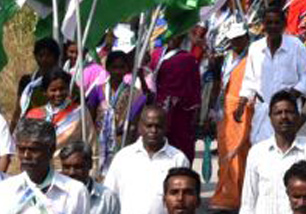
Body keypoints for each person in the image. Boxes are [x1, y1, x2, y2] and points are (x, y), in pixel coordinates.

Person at [104, 104, 189, 214]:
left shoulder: (178, 159)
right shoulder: (123, 157)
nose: (153, 130)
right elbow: (108, 198)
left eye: (158, 126)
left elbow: (185, 203)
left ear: (166, 128)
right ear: (140, 128)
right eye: (148, 126)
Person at [238, 5, 306, 145]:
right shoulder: (255, 49)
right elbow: (249, 81)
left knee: (288, 151)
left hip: (288, 112)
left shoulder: (296, 46)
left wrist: (292, 95)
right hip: (263, 111)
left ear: (284, 25)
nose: (273, 26)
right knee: (262, 152)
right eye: (269, 23)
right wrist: (241, 103)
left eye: (276, 22)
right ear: (263, 25)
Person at [210, 20, 253, 214]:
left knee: (239, 154)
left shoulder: (253, 57)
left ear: (246, 38)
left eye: (239, 39)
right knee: (225, 155)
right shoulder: (227, 58)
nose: (236, 42)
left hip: (244, 109)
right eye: (233, 39)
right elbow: (219, 83)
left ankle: (235, 198)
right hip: (224, 110)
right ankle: (226, 195)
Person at [86, 49, 146, 179]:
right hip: (98, 142)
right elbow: (89, 119)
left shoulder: (135, 94)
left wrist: (129, 148)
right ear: (107, 68)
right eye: (114, 67)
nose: (118, 71)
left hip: (122, 141)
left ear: (127, 69)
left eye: (121, 67)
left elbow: (134, 125)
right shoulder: (97, 90)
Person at [152, 31, 202, 162]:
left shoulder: (188, 59)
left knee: (180, 148)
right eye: (171, 36)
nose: (174, 39)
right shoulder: (156, 55)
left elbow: (195, 89)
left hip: (180, 112)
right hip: (158, 108)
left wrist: (196, 116)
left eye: (177, 35)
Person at [25, 68, 95, 153]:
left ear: (68, 89)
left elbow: (91, 144)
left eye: (62, 89)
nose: (58, 93)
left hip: (70, 165)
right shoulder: (33, 115)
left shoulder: (80, 113)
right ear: (44, 92)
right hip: (40, 165)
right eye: (53, 90)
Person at [14, 37, 62, 127]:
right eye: (41, 55)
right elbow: (18, 110)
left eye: (48, 55)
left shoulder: (65, 81)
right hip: (31, 128)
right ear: (35, 57)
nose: (44, 59)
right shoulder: (27, 81)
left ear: (56, 57)